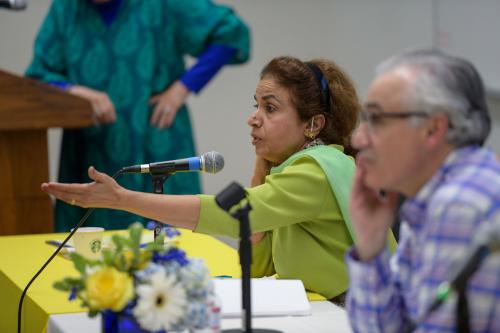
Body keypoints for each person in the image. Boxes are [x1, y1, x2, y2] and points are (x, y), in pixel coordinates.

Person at [42, 56, 367, 301]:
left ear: (313, 125)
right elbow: (258, 267)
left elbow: (233, 215)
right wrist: (263, 162)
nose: (252, 118)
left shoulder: (315, 172)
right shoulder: (299, 168)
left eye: (270, 109)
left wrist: (122, 199)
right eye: (257, 106)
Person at [26, 0, 250, 231]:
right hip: (92, 147)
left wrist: (182, 88)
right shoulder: (66, 8)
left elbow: (231, 31)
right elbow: (37, 75)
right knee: (91, 249)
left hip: (155, 138)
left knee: (168, 245)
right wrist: (73, 92)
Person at [346, 49, 500, 332]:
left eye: (376, 120)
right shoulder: (430, 198)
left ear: (433, 129)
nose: (358, 137)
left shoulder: (459, 205)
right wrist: (370, 244)